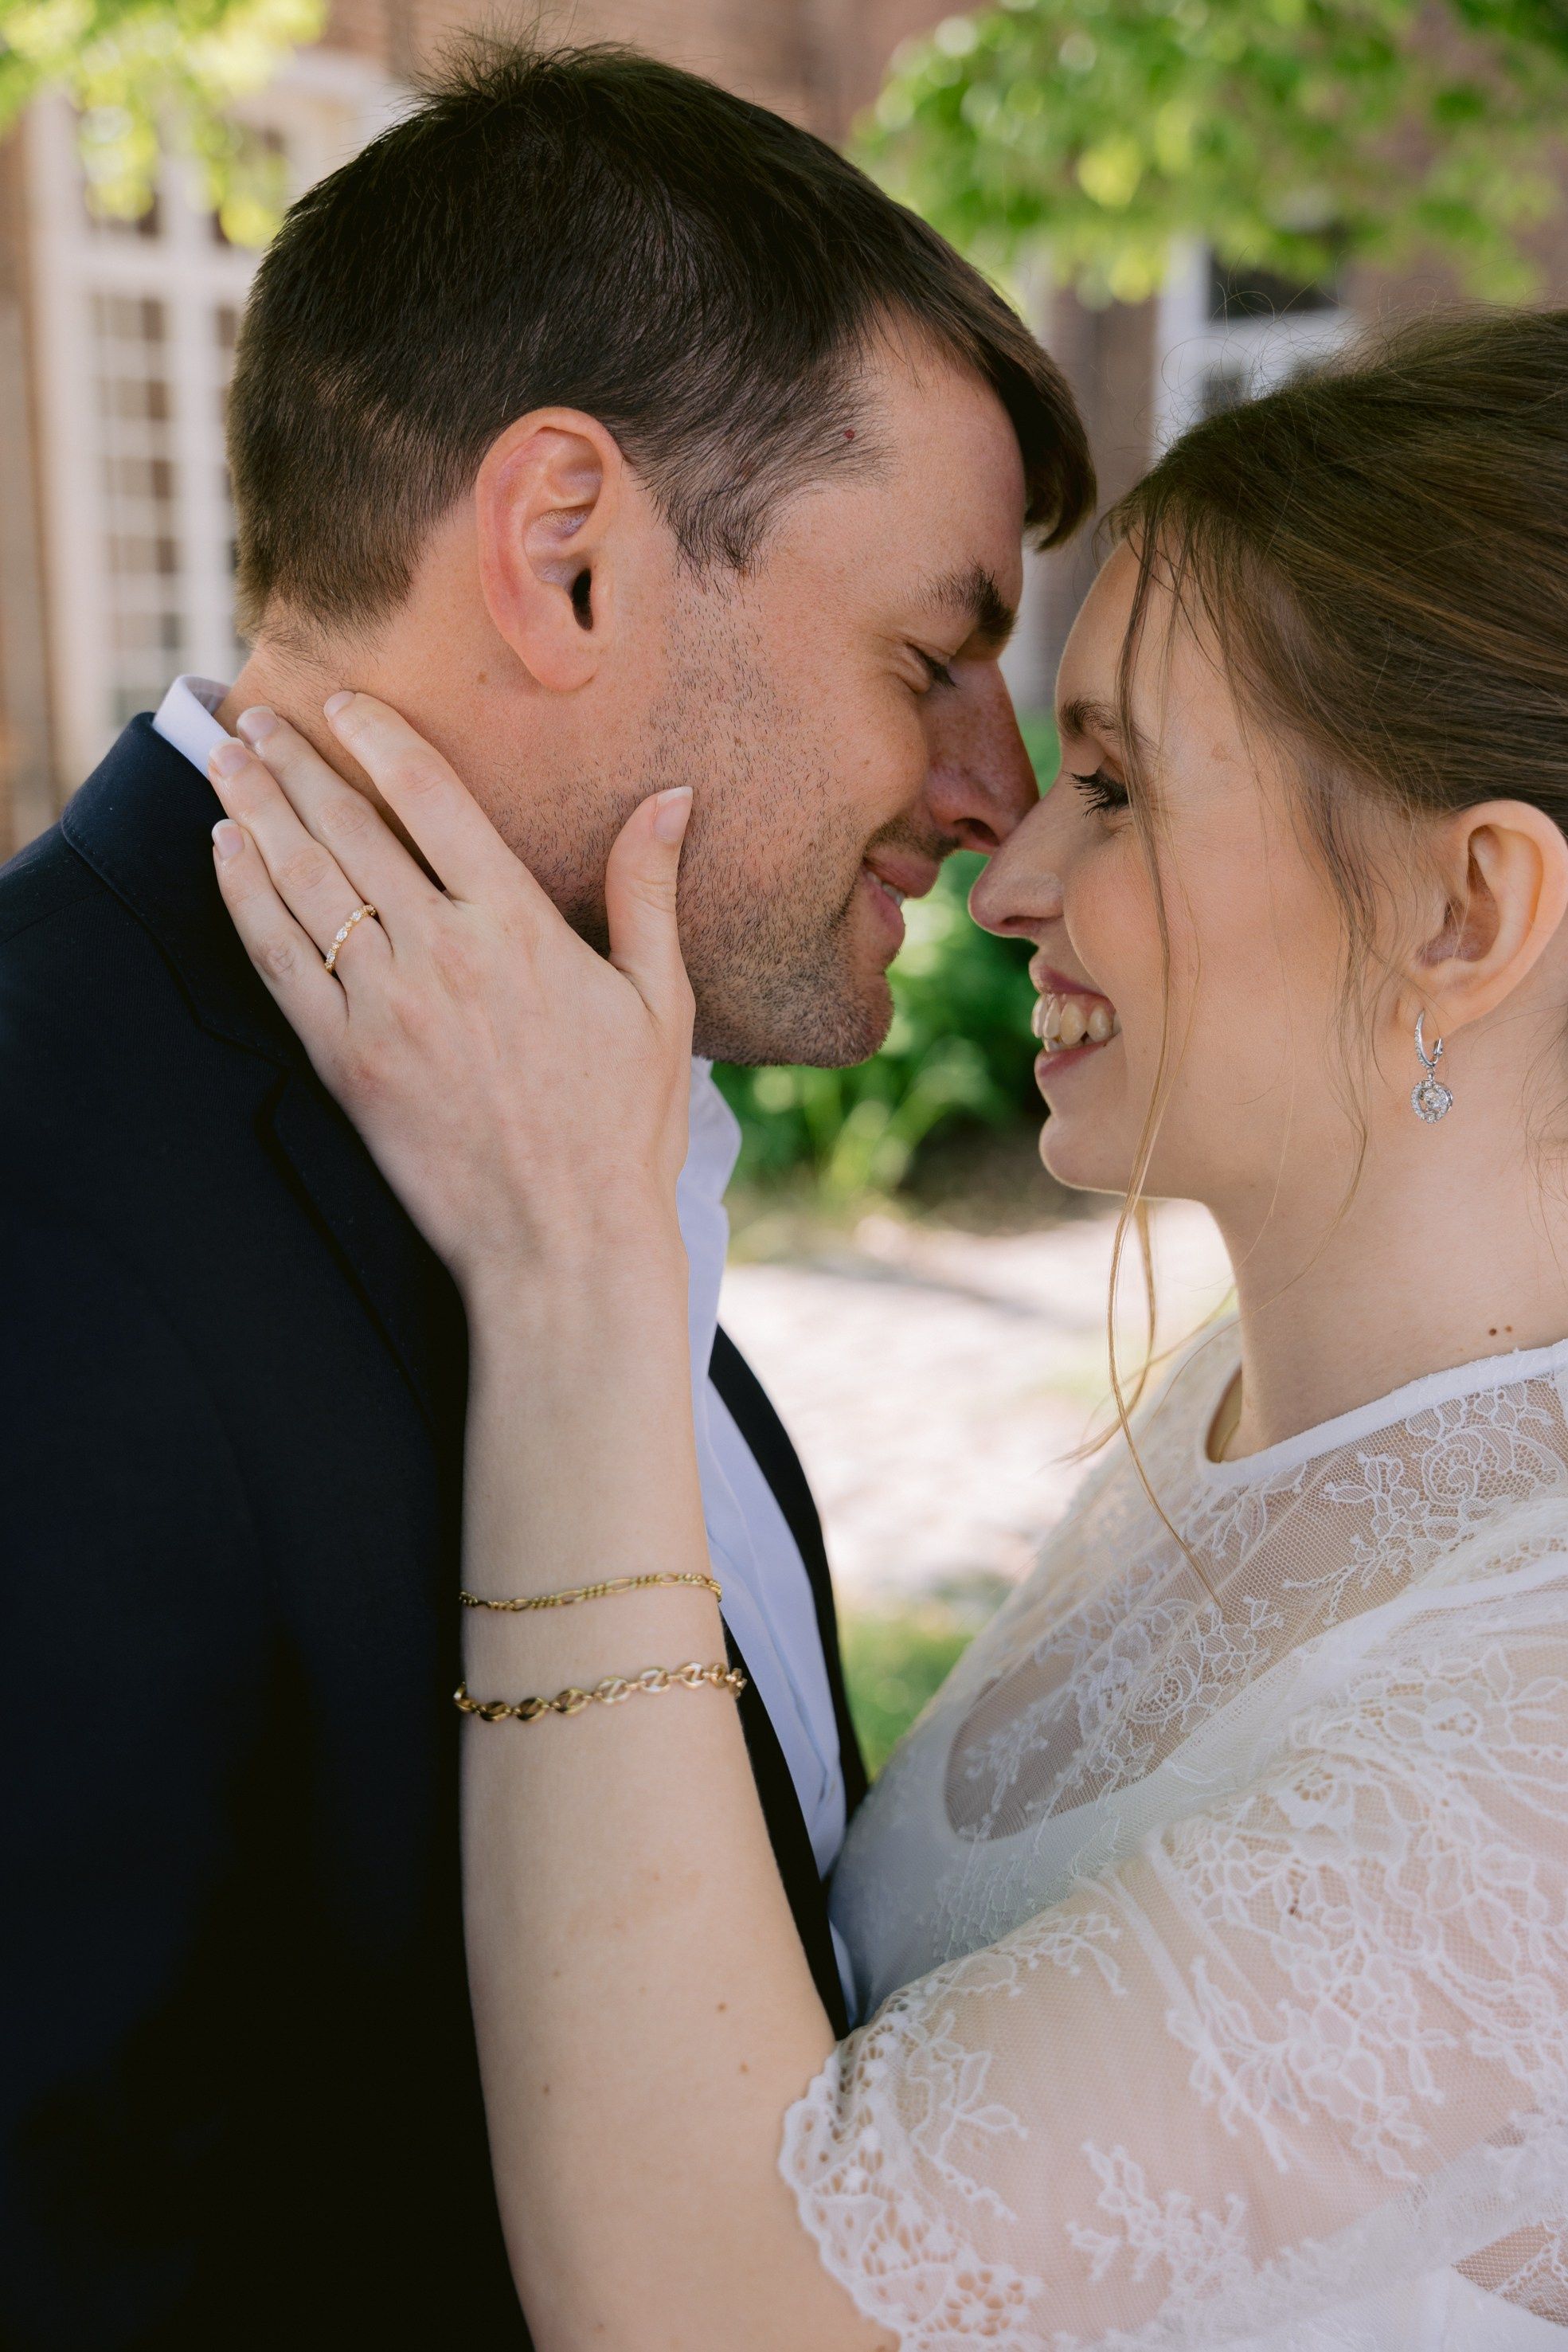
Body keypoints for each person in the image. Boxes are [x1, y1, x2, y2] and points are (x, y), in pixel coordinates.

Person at [214, 303, 1568, 2350]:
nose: (1007, 864)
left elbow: (730, 2306)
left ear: (1467, 913)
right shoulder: (1241, 1403)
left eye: (1111, 783)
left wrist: (579, 1276)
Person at [0, 42, 1091, 2347]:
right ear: (566, 551)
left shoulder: (565, 1116)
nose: (992, 792)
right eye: (935, 651)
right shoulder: (45, 1203)